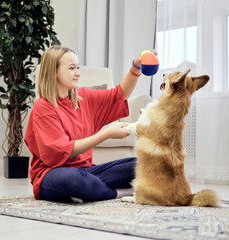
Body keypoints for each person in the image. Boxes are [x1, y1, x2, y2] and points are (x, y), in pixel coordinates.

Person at [24, 46, 151, 203]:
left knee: (146, 163)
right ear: (53, 72)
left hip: (87, 171)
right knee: (75, 181)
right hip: (52, 174)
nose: (78, 73)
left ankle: (94, 190)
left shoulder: (83, 98)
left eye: (78, 67)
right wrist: (104, 135)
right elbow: (62, 150)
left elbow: (120, 94)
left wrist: (136, 66)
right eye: (72, 68)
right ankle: (119, 193)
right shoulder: (43, 107)